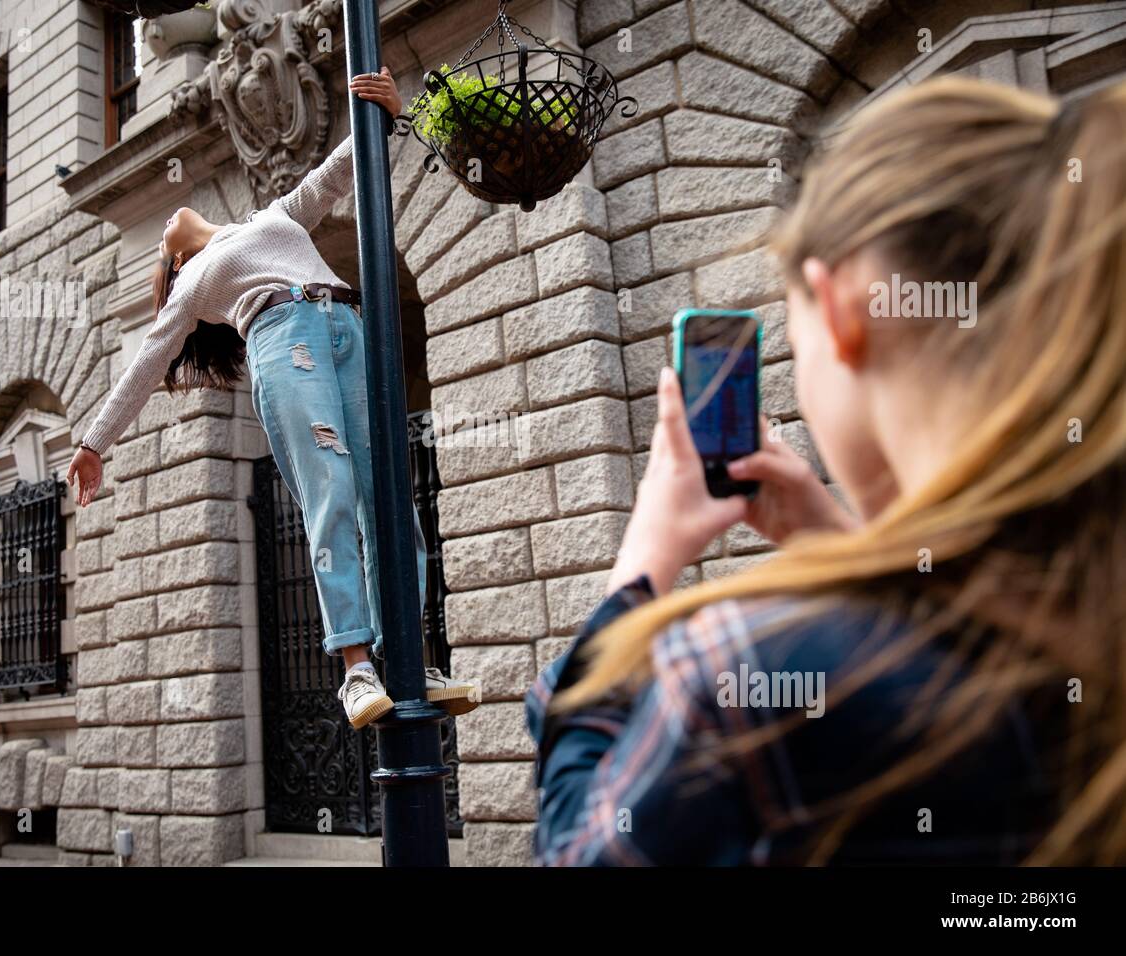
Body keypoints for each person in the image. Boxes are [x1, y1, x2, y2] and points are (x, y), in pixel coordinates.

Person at [527, 76, 1126, 865]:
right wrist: (842, 543)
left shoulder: (748, 671)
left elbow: (580, 847)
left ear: (839, 311)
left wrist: (642, 562)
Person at [67, 67, 481, 730]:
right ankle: (356, 670)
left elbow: (333, 176)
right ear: (173, 263)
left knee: (391, 502)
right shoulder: (192, 286)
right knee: (331, 493)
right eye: (171, 232)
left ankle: (413, 657)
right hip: (284, 339)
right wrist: (93, 443)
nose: (179, 213)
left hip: (350, 326)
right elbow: (147, 363)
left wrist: (388, 114)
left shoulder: (271, 218)